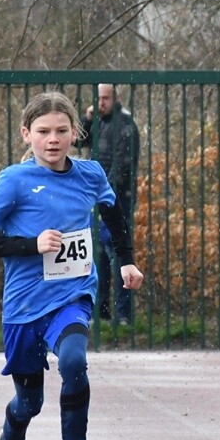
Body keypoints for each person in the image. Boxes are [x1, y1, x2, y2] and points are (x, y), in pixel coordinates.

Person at [0, 91, 144, 440]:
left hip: (73, 295)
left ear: (75, 133)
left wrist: (125, 263)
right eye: (43, 132)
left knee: (73, 361)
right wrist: (33, 244)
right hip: (25, 308)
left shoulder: (90, 175)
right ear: (26, 134)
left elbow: (114, 217)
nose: (53, 139)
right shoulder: (12, 181)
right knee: (29, 402)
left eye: (62, 131)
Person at [77, 83, 140, 325]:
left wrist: (105, 196)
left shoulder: (125, 125)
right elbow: (79, 142)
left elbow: (122, 166)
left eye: (105, 98)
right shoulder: (99, 122)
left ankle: (123, 315)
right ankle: (101, 311)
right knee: (99, 255)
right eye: (98, 98)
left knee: (119, 256)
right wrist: (87, 118)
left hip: (116, 199)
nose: (101, 102)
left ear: (117, 98)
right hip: (97, 197)